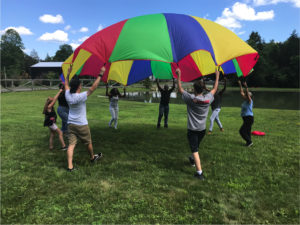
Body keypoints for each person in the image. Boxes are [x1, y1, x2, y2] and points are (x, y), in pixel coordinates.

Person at [176, 67, 220, 180]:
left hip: (192, 130)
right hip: (202, 130)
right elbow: (215, 88)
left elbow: (180, 89)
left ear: (194, 89)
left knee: (195, 149)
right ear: (202, 89)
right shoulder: (208, 98)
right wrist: (217, 76)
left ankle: (199, 173)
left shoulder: (191, 99)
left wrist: (179, 75)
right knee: (195, 147)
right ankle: (192, 159)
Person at [64, 65, 106, 171]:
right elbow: (93, 88)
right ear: (79, 87)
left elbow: (66, 84)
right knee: (88, 142)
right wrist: (100, 74)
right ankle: (92, 158)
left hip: (71, 124)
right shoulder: (80, 96)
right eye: (81, 85)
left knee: (71, 145)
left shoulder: (67, 94)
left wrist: (68, 73)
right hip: (81, 124)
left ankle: (70, 167)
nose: (82, 86)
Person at [238, 79, 254, 147]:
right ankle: (249, 142)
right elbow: (242, 92)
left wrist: (246, 87)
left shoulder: (250, 101)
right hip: (246, 118)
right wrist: (240, 85)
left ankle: (249, 141)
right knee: (247, 131)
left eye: (248, 95)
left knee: (241, 131)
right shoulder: (245, 100)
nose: (246, 95)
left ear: (249, 96)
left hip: (249, 118)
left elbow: (246, 94)